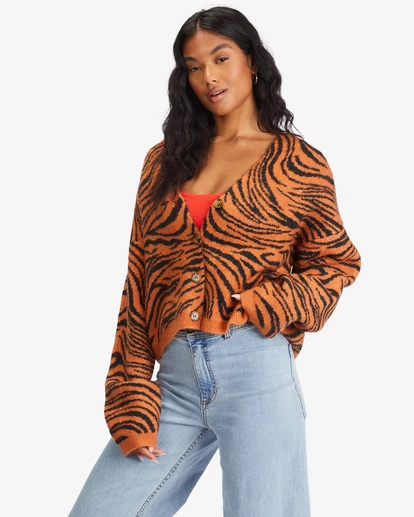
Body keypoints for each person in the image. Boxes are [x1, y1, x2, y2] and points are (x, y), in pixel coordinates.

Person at [69, 6, 361, 517]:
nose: (208, 76)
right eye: (193, 66)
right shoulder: (163, 160)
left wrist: (269, 301)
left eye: (220, 58)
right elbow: (138, 282)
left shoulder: (299, 163)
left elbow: (336, 263)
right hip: (175, 380)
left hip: (256, 370)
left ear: (252, 61)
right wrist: (131, 391)